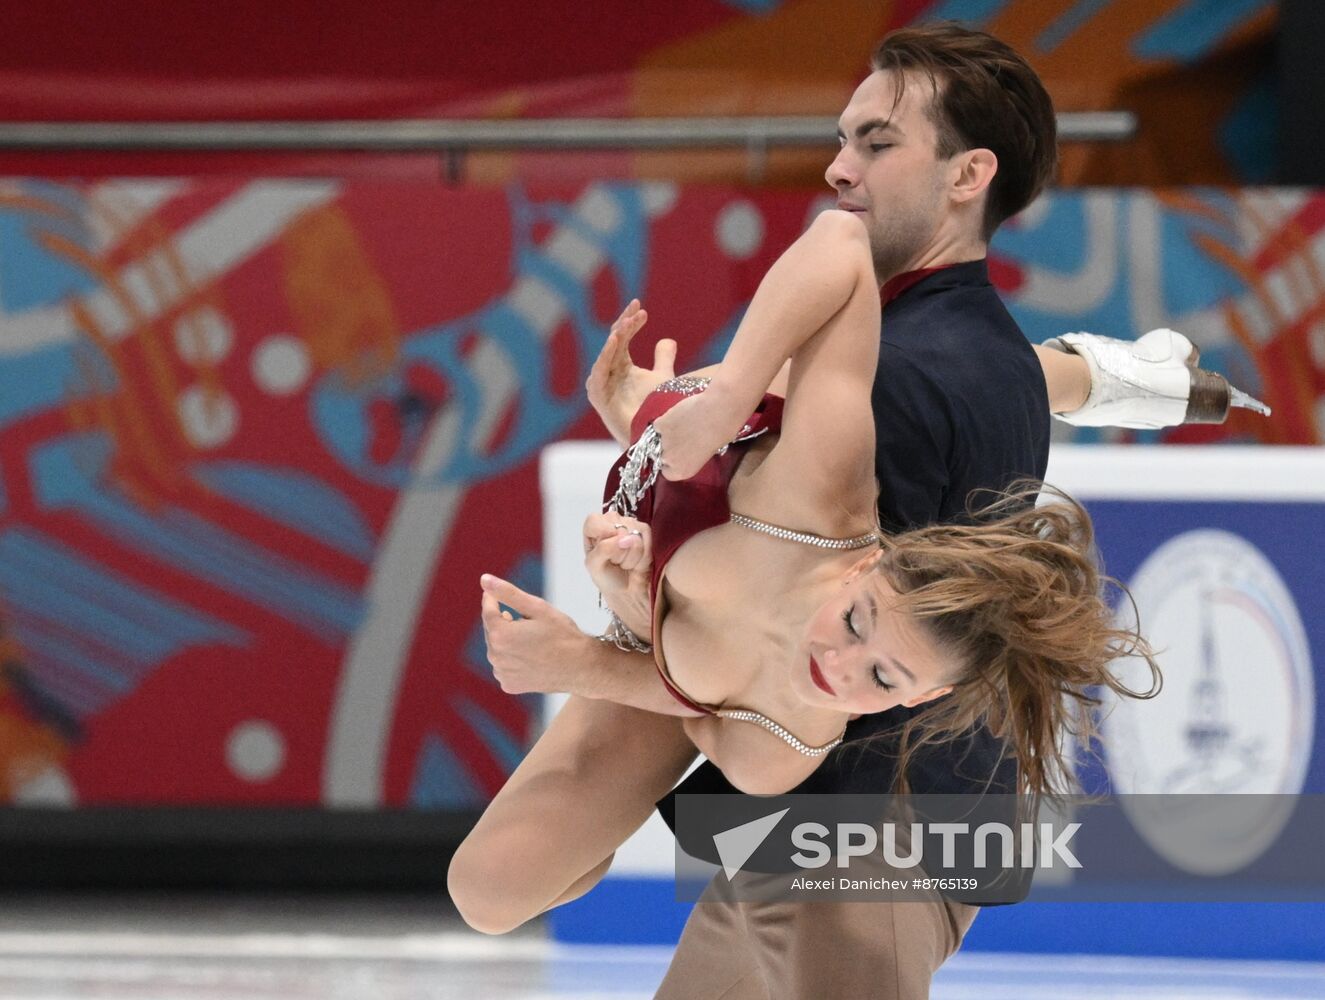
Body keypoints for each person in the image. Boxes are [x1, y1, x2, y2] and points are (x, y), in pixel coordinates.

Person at [449, 23, 1259, 999]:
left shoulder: (895, 396)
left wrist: (604, 636)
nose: (839, 167)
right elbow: (1038, 373)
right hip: (840, 758)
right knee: (499, 879)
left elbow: (785, 679)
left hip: (851, 803)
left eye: (876, 144)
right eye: (844, 137)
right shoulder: (949, 339)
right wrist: (1149, 381)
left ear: (966, 176)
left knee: (543, 874)